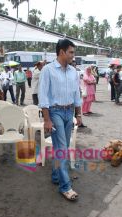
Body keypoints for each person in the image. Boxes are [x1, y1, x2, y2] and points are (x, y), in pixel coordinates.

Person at [39, 39, 82, 201]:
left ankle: (56, 176)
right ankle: (65, 187)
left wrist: (78, 114)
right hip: (55, 112)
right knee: (62, 150)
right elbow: (43, 96)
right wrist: (47, 119)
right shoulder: (48, 70)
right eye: (71, 52)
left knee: (60, 148)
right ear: (62, 52)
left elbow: (76, 94)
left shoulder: (73, 71)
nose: (73, 55)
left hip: (69, 112)